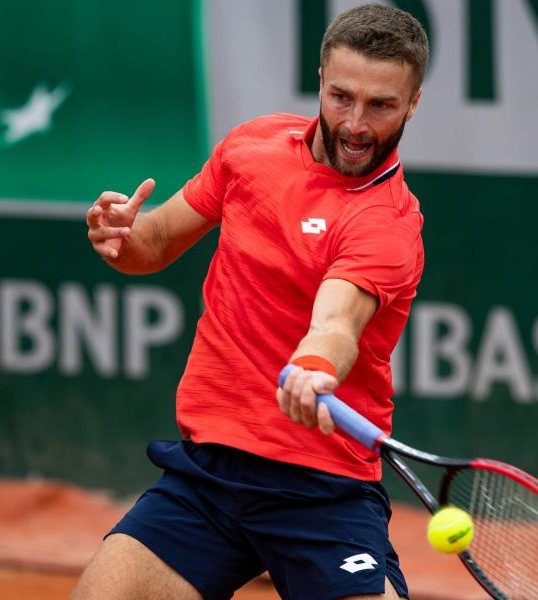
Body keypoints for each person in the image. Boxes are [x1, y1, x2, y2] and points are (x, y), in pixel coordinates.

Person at [72, 4, 428, 599]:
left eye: (382, 105)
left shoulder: (386, 222)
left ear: (413, 103)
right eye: (341, 97)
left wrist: (315, 367)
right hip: (211, 474)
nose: (355, 124)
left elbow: (338, 321)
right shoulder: (252, 148)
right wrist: (121, 239)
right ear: (319, 79)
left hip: (320, 487)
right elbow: (155, 243)